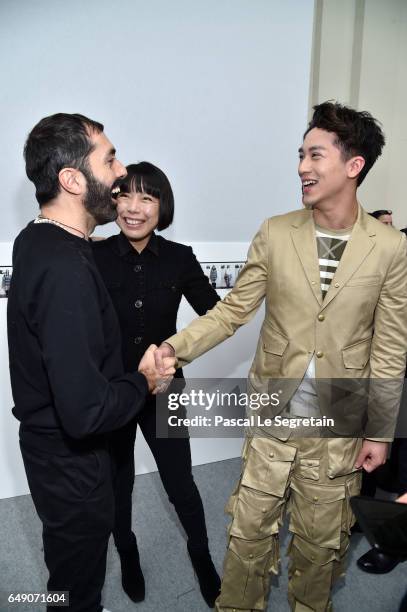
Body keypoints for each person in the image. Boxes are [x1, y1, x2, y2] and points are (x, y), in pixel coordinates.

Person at [152, 102, 407, 611]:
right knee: (248, 541)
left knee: (320, 549)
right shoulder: (275, 231)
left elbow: (390, 345)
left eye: (315, 155)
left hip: (340, 420)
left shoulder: (388, 248)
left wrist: (380, 431)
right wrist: (173, 348)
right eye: (300, 154)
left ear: (353, 165)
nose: (301, 167)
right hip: (271, 411)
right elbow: (231, 313)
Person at [7, 114, 175, 612]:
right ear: (72, 179)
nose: (121, 172)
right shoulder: (66, 269)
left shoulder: (38, 237)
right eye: (109, 158)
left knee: (66, 564)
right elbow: (85, 412)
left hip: (51, 452)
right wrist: (143, 382)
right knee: (78, 589)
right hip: (72, 463)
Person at [92, 162, 221, 607]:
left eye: (147, 198)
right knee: (118, 483)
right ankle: (126, 551)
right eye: (124, 195)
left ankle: (201, 555)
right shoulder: (94, 255)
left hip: (165, 389)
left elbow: (216, 315)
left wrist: (174, 349)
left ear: (161, 206)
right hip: (114, 392)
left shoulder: (180, 257)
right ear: (113, 202)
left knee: (180, 481)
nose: (133, 207)